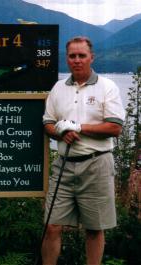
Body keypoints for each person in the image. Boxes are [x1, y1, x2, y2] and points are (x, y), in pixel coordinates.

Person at [41, 36, 125, 265]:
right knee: (51, 225)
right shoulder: (58, 88)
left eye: (82, 55)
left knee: (94, 229)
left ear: (91, 57)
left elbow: (115, 127)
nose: (77, 60)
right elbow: (48, 123)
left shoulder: (107, 87)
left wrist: (78, 127)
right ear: (67, 59)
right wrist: (60, 131)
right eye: (72, 56)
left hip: (96, 163)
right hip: (64, 165)